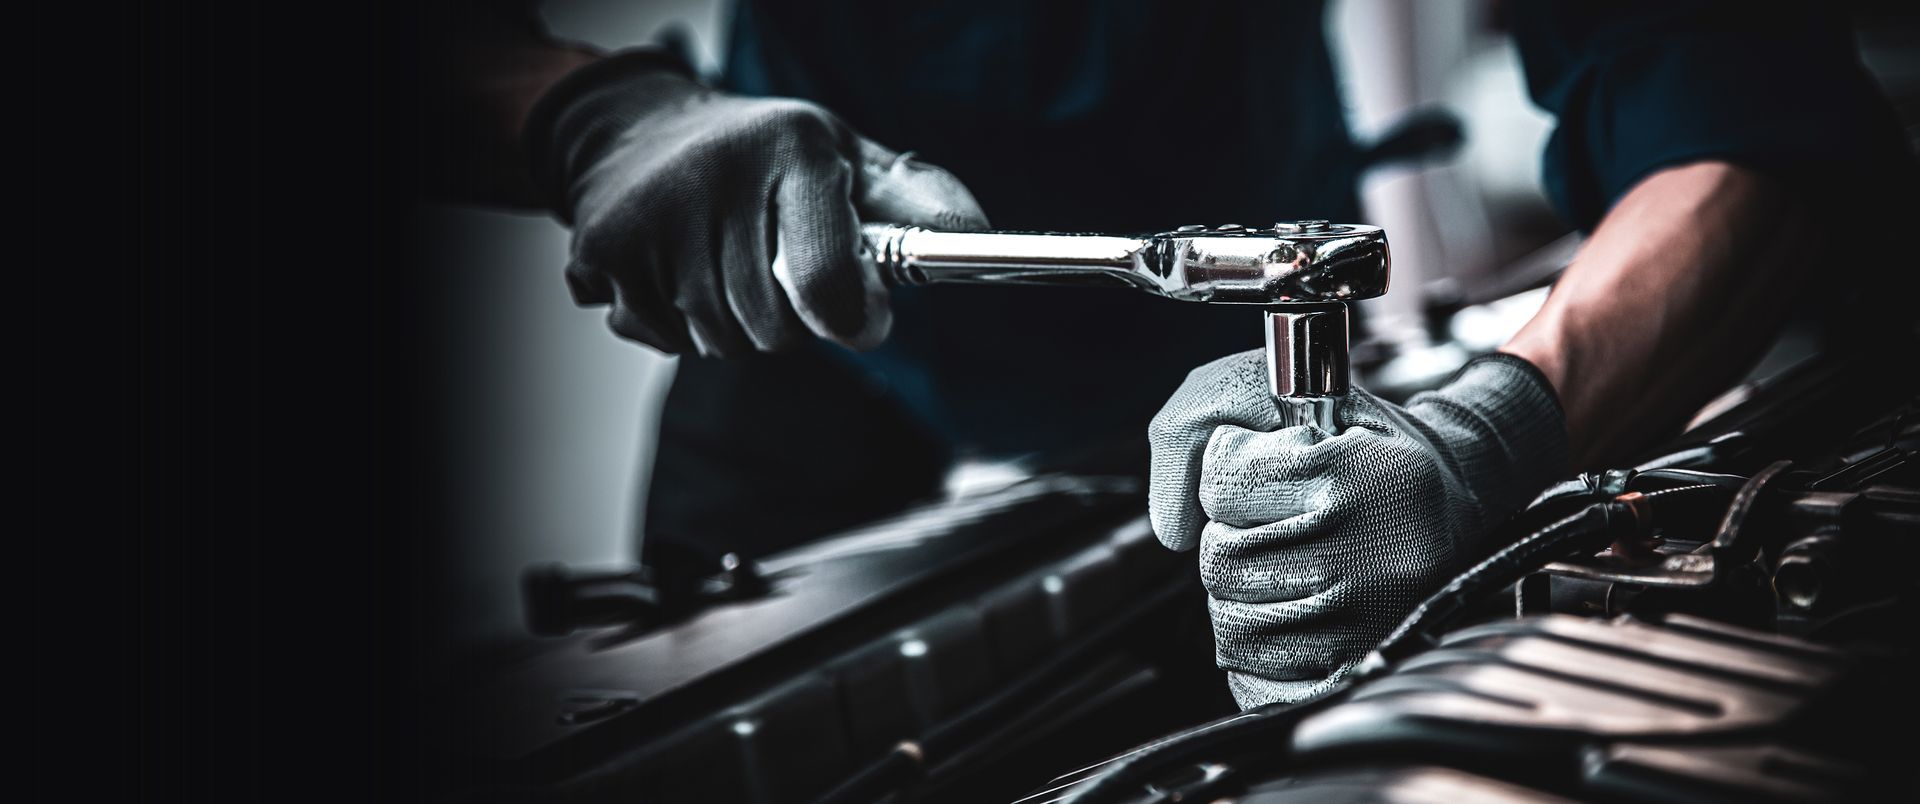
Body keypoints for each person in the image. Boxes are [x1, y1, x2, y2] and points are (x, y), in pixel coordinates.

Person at [433, 1, 1916, 707]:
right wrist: (589, 114)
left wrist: (1498, 426)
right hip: (805, 329)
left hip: (1229, 406)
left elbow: (1738, 116)